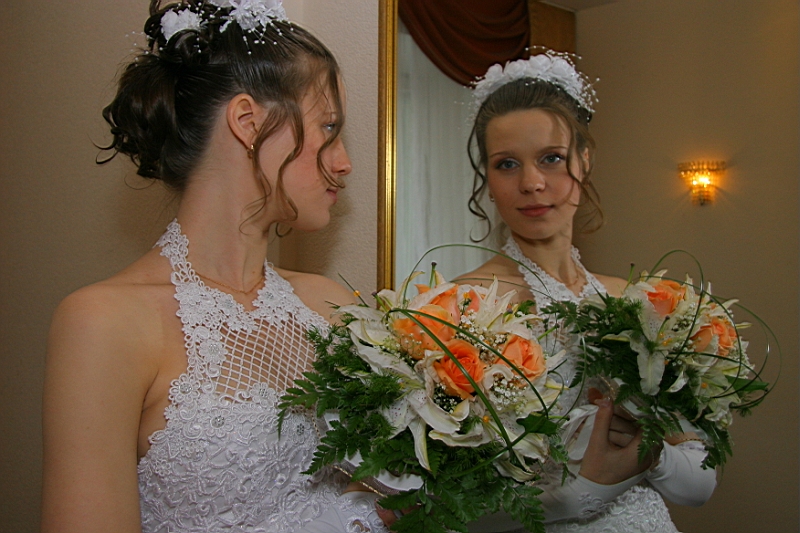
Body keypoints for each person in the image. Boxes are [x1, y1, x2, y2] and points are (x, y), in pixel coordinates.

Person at [41, 2, 390, 532]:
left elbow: (380, 489)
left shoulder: (333, 306)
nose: (345, 163)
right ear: (249, 122)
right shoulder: (104, 322)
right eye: (328, 127)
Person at [457, 52, 717, 532]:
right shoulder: (466, 306)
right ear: (487, 181)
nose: (532, 183)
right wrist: (579, 494)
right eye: (507, 164)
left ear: (585, 160)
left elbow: (699, 488)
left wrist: (653, 453)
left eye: (551, 158)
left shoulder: (639, 303)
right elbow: (441, 512)